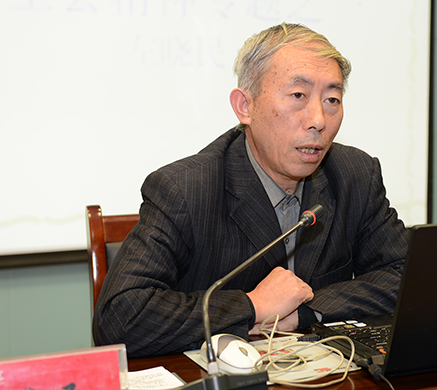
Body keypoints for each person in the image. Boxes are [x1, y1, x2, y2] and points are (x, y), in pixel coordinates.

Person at [93, 22, 410, 357]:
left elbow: (409, 277)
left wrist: (307, 310)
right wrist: (252, 306)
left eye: (332, 99)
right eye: (298, 96)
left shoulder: (355, 174)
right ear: (245, 106)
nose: (318, 119)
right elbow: (120, 318)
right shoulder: (185, 189)